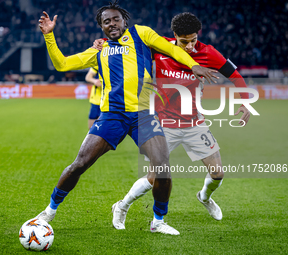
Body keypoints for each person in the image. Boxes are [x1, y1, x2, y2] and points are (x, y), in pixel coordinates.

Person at [36, 1, 217, 236]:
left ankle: (158, 221)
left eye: (116, 19)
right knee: (80, 163)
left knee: (162, 168)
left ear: (124, 21)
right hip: (112, 116)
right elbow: (62, 64)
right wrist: (49, 36)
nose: (112, 24)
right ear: (101, 27)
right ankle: (49, 212)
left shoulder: (142, 34)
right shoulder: (98, 51)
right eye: (106, 21)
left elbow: (171, 49)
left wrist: (193, 65)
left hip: (143, 115)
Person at [107, 12, 251, 230]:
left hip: (195, 123)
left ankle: (204, 197)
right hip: (163, 124)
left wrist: (245, 101)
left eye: (194, 40)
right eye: (185, 41)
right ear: (174, 36)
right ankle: (122, 205)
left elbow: (235, 75)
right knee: (155, 177)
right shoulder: (160, 47)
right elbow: (125, 44)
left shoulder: (208, 53)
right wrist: (103, 43)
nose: (190, 46)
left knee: (218, 173)